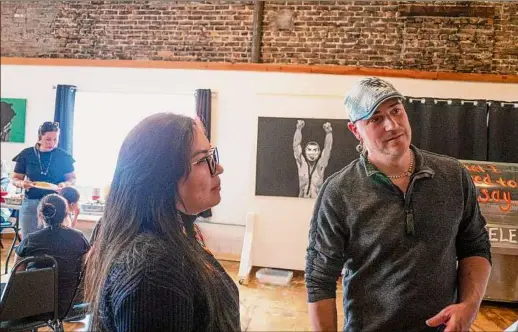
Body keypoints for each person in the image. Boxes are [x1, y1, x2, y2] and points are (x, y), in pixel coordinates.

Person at [305, 77, 491, 332]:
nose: (392, 125)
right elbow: (319, 278)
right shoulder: (339, 192)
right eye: (376, 119)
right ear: (355, 130)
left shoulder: (453, 176)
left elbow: (475, 245)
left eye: (396, 111)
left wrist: (469, 307)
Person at [84, 113, 240, 332]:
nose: (218, 168)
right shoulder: (152, 272)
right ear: (163, 177)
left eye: (212, 155)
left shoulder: (177, 234)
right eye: (203, 159)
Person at [14, 194, 91, 317]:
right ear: (66, 214)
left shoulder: (30, 240)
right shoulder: (79, 237)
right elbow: (87, 271)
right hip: (69, 306)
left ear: (40, 215)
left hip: (35, 307)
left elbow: (17, 277)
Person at [11, 121, 76, 237]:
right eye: (48, 139)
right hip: (31, 203)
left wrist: (65, 184)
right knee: (29, 240)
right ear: (40, 137)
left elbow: (72, 179)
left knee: (54, 241)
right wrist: (22, 183)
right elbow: (15, 178)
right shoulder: (26, 154)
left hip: (57, 203)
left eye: (55, 139)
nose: (52, 143)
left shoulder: (64, 156)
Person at [293, 120, 333, 198]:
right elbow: (296, 146)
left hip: (316, 204)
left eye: (315, 150)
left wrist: (329, 133)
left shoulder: (321, 165)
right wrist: (298, 129)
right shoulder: (302, 164)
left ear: (319, 153)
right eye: (309, 150)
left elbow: (327, 148)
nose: (312, 153)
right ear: (305, 151)